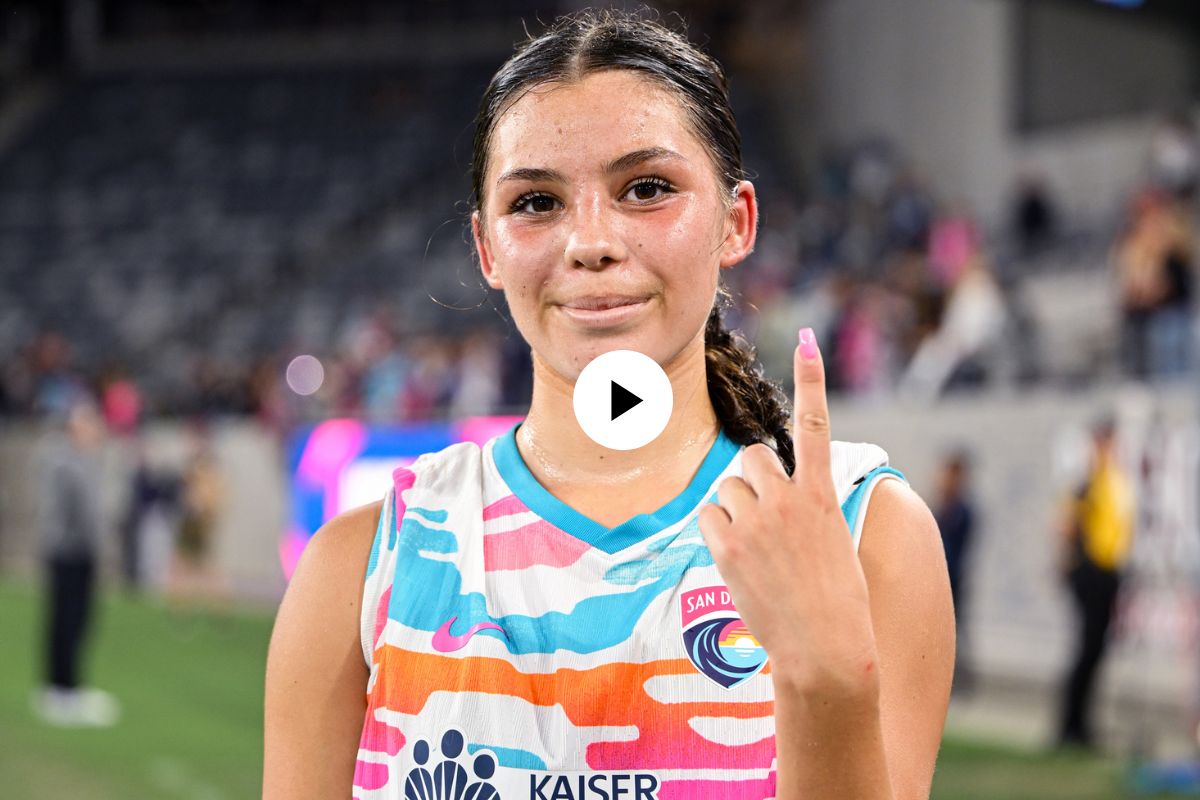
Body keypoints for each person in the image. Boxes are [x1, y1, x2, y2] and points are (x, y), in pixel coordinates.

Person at [263, 10, 954, 799]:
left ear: (737, 221)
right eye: (535, 202)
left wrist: (828, 689)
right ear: (487, 248)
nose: (591, 240)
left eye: (647, 189)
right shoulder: (358, 568)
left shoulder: (862, 533)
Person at [31, 398, 121, 727]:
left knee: (76, 621)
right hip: (69, 551)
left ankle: (66, 686)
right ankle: (61, 689)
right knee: (66, 621)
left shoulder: (82, 460)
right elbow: (83, 512)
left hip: (77, 553)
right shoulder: (66, 461)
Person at [1055, 417, 1135, 751]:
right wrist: (1071, 563)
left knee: (1096, 649)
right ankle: (1071, 726)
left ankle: (1081, 723)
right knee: (1087, 649)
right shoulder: (1088, 481)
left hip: (1109, 572)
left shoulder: (1114, 479)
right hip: (1093, 572)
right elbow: (1066, 524)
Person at [933, 448, 976, 694]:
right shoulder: (944, 507)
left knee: (955, 629)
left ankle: (958, 679)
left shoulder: (962, 511)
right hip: (941, 576)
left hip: (952, 579)